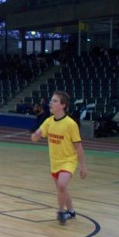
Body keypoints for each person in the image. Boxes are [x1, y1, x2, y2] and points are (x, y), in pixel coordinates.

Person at [31, 90, 87, 224]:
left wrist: (83, 166)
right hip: (55, 162)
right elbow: (35, 137)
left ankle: (61, 212)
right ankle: (71, 211)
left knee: (61, 185)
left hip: (69, 160)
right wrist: (36, 136)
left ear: (63, 105)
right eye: (51, 101)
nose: (51, 103)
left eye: (55, 101)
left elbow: (78, 146)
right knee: (62, 188)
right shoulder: (48, 122)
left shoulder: (70, 124)